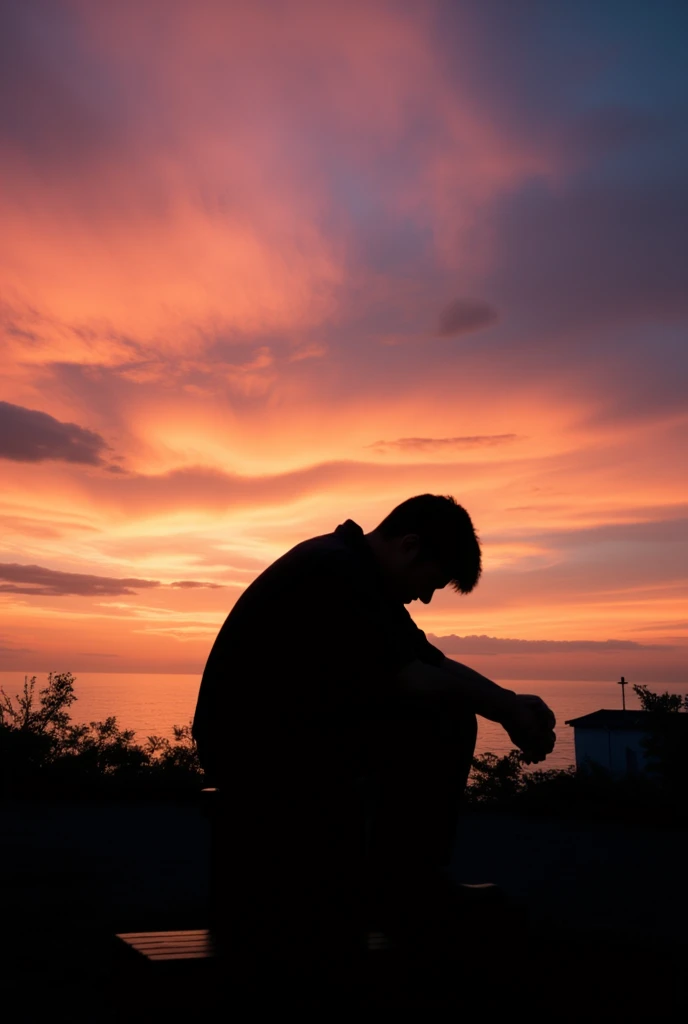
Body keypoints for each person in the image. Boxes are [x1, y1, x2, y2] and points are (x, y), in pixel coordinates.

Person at [193, 494, 555, 988]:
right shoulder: (337, 572)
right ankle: (407, 887)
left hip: (284, 734)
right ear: (410, 546)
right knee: (444, 714)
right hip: (254, 749)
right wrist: (506, 709)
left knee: (447, 703)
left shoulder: (355, 571)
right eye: (432, 581)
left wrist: (509, 701)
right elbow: (415, 680)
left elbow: (430, 661)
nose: (426, 597)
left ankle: (404, 881)